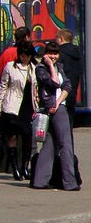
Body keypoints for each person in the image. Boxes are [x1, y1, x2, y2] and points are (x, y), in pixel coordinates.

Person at [31, 40, 80, 191]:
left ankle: (39, 180)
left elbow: (67, 86)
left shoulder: (60, 67)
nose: (53, 56)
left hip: (58, 106)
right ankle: (69, 182)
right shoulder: (41, 68)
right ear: (45, 54)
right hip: (53, 109)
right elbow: (54, 83)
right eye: (50, 53)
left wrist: (58, 101)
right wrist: (51, 67)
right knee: (66, 144)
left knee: (51, 144)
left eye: (55, 53)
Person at [0, 42, 38, 181]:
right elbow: (3, 87)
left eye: (27, 55)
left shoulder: (34, 68)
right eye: (23, 55)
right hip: (12, 105)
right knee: (12, 137)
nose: (25, 58)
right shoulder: (11, 67)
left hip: (28, 106)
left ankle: (25, 167)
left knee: (27, 138)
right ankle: (14, 168)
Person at [56, 28, 83, 130]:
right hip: (73, 90)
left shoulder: (60, 53)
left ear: (61, 38)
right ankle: (69, 145)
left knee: (60, 125)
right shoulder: (77, 53)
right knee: (69, 123)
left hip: (61, 92)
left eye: (56, 39)